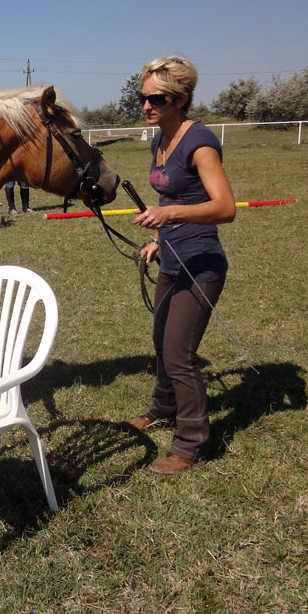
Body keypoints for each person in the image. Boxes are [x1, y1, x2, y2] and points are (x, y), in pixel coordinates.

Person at [124, 56, 237, 474]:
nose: (146, 105)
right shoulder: (160, 139)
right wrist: (157, 238)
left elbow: (225, 207)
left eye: (157, 98)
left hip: (201, 263)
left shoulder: (199, 142)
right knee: (160, 341)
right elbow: (171, 197)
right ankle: (162, 409)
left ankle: (192, 443)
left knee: (179, 354)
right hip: (171, 256)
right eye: (142, 97)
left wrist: (169, 218)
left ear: (182, 99)